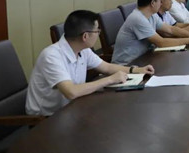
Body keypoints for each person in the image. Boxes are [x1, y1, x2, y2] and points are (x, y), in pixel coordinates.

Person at [26, 10, 155, 116]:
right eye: (97, 31)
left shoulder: (83, 49)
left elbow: (106, 67)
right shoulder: (51, 56)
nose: (98, 34)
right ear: (85, 36)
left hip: (73, 109)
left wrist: (137, 70)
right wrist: (110, 80)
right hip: (46, 120)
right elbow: (71, 92)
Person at [112, 0, 189, 64]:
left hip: (144, 59)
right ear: (153, 3)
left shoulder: (152, 15)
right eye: (159, 1)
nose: (161, 3)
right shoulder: (138, 18)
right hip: (127, 65)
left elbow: (171, 29)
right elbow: (161, 42)